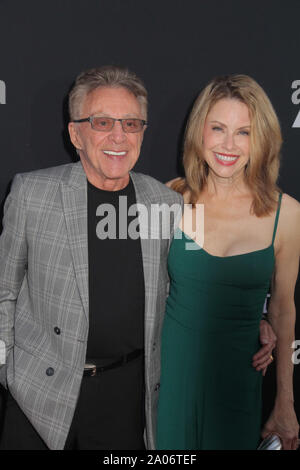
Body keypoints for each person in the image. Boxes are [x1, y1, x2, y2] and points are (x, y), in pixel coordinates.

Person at [0, 67, 275, 450]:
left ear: (143, 133)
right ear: (76, 133)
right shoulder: (32, 194)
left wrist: (255, 322)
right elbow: (3, 291)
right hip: (37, 398)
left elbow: (196, 285)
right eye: (102, 122)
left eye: (131, 123)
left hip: (127, 404)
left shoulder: (166, 202)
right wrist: (8, 368)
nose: (118, 136)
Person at [156, 74, 300, 450]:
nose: (228, 145)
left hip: (238, 379)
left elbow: (283, 308)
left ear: (261, 139)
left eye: (244, 132)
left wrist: (285, 402)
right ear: (199, 131)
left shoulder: (286, 215)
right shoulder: (171, 199)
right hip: (170, 377)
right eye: (218, 128)